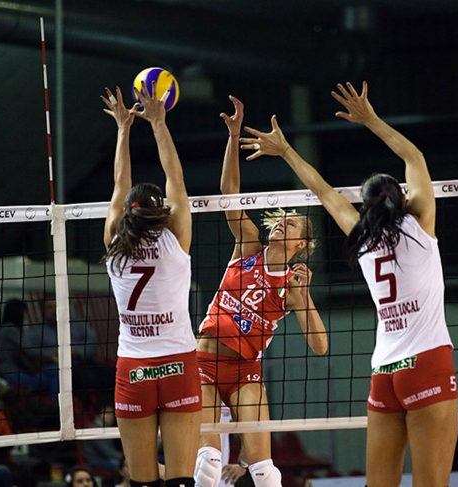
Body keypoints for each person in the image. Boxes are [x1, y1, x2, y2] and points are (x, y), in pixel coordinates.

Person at [240, 81, 458, 487]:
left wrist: (286, 150)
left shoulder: (363, 239)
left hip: (385, 372)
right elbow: (415, 155)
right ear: (402, 198)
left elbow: (322, 192)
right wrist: (371, 119)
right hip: (427, 362)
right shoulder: (421, 223)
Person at [194, 96, 328, 487]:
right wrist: (233, 137)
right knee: (207, 463)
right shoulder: (248, 245)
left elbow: (320, 346)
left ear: (302, 245)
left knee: (265, 472)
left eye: (292, 224)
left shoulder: (290, 287)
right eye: (281, 219)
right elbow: (228, 192)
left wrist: (304, 298)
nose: (282, 223)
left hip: (244, 371)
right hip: (203, 361)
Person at [102, 83, 201, 487]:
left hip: (134, 368)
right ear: (162, 210)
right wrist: (157, 123)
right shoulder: (175, 236)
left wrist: (123, 129)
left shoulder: (113, 241)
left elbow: (118, 187)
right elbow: (174, 174)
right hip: (179, 362)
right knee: (181, 481)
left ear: (126, 213)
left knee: (142, 483)